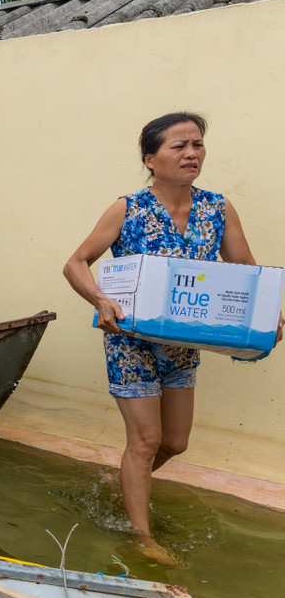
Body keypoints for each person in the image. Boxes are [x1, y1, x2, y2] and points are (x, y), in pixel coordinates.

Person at [63, 111, 282, 562]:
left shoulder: (218, 209)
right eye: (178, 146)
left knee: (174, 443)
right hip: (130, 342)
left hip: (183, 344)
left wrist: (265, 316)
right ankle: (142, 539)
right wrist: (101, 301)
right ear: (151, 158)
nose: (191, 153)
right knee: (144, 441)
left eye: (197, 144)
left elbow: (245, 269)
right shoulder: (128, 208)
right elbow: (76, 263)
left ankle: (125, 481)